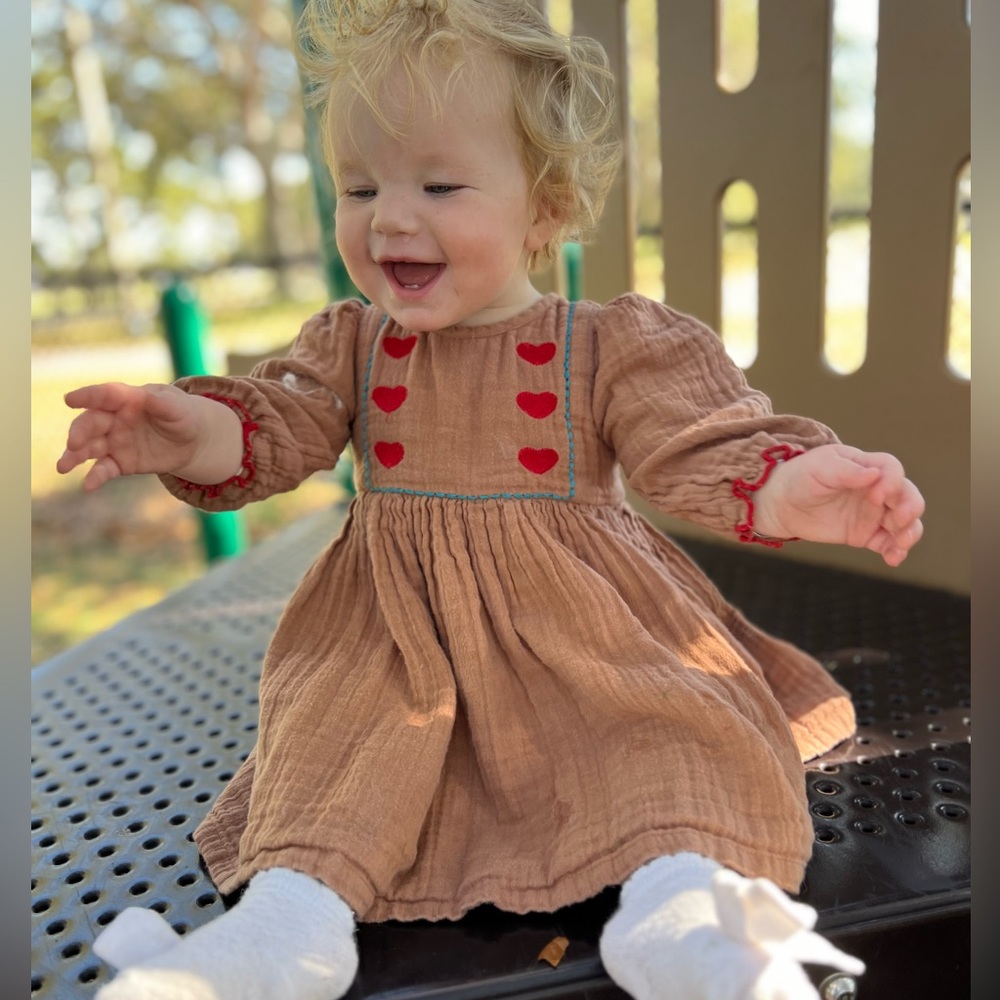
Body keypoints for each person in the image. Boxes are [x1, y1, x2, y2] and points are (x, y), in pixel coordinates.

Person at [57, 2, 925, 998]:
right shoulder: (352, 343)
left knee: (666, 735)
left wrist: (787, 485)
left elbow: (692, 446)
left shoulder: (603, 344)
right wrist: (192, 428)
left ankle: (683, 909)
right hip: (395, 640)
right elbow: (277, 422)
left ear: (541, 206)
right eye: (359, 184)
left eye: (437, 183)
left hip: (588, 633)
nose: (388, 215)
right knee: (331, 743)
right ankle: (286, 925)